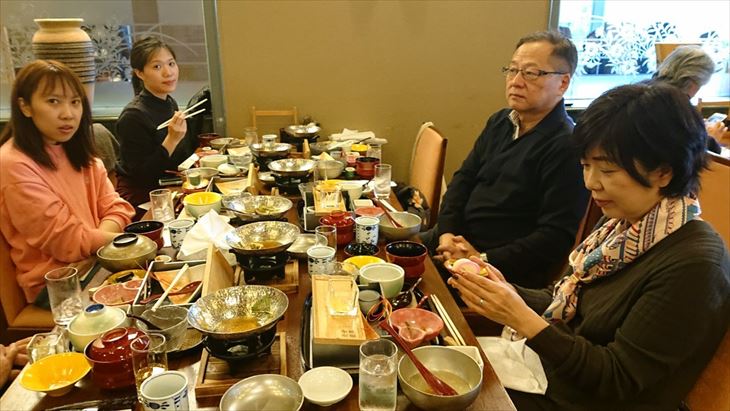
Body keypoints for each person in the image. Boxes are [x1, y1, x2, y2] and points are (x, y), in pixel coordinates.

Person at [447, 83, 730, 410]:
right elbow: (568, 298)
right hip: (550, 377)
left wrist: (522, 318)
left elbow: (617, 379)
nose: (590, 182)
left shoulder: (694, 263)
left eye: (607, 170)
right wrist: (505, 290)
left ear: (664, 172)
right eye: (585, 166)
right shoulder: (622, 223)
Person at [424, 31, 589, 288]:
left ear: (563, 83)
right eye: (512, 70)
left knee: (404, 285)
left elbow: (554, 237)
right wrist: (446, 234)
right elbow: (463, 181)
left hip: (500, 269)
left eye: (531, 73)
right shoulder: (500, 121)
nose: (516, 81)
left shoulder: (567, 145)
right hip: (455, 243)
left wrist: (480, 260)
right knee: (379, 252)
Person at [0, 60, 135, 304]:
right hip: (58, 285)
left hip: (97, 263)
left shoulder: (76, 150)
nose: (68, 114)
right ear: (25, 106)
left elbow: (118, 208)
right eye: (53, 101)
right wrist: (120, 240)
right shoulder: (13, 164)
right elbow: (69, 243)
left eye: (75, 102)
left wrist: (99, 245)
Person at [116, 37, 197, 207]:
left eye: (171, 64)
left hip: (170, 185)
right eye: (157, 67)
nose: (168, 72)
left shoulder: (169, 102)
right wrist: (171, 140)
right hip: (143, 196)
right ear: (140, 73)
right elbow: (143, 175)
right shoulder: (133, 116)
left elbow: (179, 157)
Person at [652, 45, 728, 150]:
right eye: (700, 85)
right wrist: (710, 139)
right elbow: (683, 155)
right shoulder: (673, 104)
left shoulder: (647, 91)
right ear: (693, 81)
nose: (695, 94)